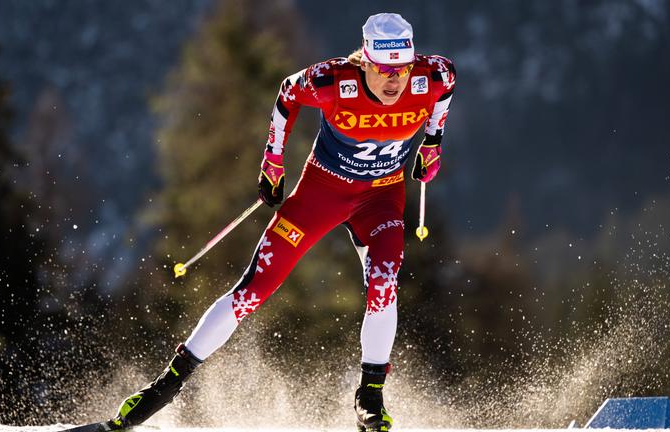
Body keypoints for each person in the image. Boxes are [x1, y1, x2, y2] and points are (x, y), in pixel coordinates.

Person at [106, 12, 455, 432]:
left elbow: (448, 84)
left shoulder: (430, 76)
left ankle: (370, 396)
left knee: (384, 282)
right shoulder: (333, 82)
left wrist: (432, 142)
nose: (394, 81)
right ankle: (166, 385)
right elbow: (288, 92)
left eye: (401, 69)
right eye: (383, 70)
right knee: (255, 288)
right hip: (320, 195)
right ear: (364, 62)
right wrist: (272, 163)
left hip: (380, 198)